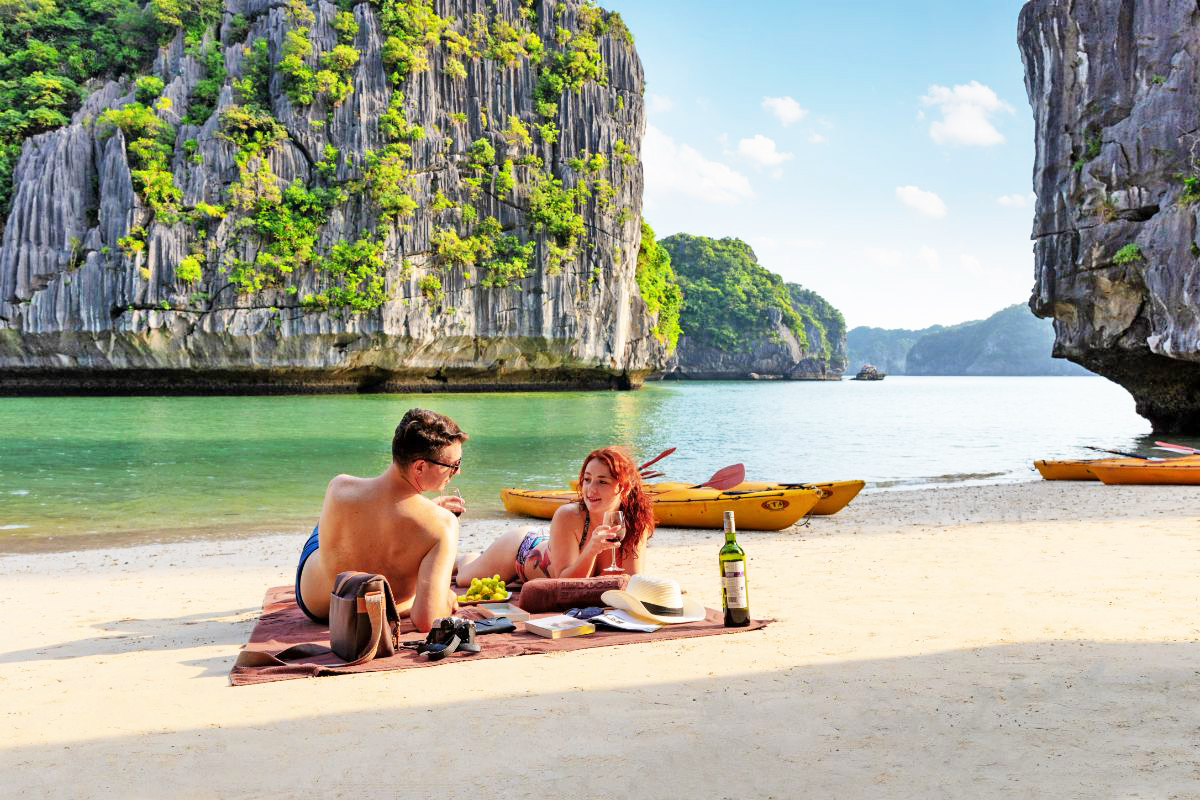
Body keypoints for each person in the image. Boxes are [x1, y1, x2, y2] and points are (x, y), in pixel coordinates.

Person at [296, 409, 468, 632]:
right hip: (369, 608)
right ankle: (411, 518)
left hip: (318, 605)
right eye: (453, 465)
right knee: (421, 535)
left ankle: (405, 514)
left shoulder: (340, 487)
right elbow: (428, 621)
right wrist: (444, 597)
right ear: (420, 467)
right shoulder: (443, 525)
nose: (458, 471)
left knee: (337, 522)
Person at [455, 446, 654, 586]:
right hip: (522, 549)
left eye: (602, 482)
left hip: (553, 545)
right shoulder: (569, 516)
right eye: (587, 480)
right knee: (464, 578)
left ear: (624, 488)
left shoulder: (635, 524)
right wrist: (591, 549)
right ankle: (465, 558)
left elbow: (631, 580)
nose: (590, 490)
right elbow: (565, 582)